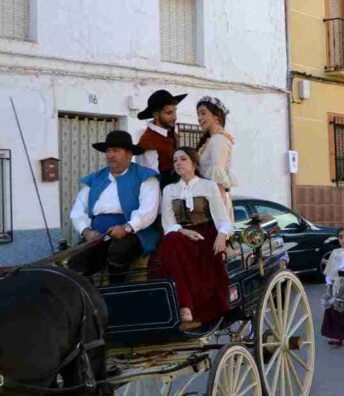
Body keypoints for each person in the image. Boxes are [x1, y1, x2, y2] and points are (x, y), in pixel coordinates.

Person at [150, 147, 232, 329]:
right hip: (180, 235)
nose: (178, 163)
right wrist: (184, 231)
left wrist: (222, 236)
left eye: (183, 159)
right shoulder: (170, 189)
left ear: (194, 163)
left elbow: (223, 219)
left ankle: (189, 306)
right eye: (175, 160)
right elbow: (168, 224)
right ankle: (185, 306)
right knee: (171, 242)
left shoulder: (208, 186)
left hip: (206, 236)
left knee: (173, 246)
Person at [68, 130, 160, 283]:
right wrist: (86, 231)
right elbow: (78, 210)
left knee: (118, 252)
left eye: (116, 150)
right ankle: (89, 300)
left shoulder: (145, 177)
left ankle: (116, 294)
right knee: (76, 262)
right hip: (98, 234)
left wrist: (126, 227)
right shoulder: (96, 178)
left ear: (129, 154)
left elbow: (148, 211)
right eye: (108, 151)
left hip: (134, 233)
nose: (111, 155)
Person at [135, 89, 187, 189]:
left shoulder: (171, 133)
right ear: (156, 115)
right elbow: (151, 181)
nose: (175, 117)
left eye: (175, 112)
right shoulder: (148, 142)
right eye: (169, 113)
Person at [196, 97, 236, 222]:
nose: (199, 118)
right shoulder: (212, 140)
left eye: (203, 113)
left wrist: (219, 216)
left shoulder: (218, 140)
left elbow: (218, 180)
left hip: (214, 203)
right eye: (198, 114)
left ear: (216, 116)